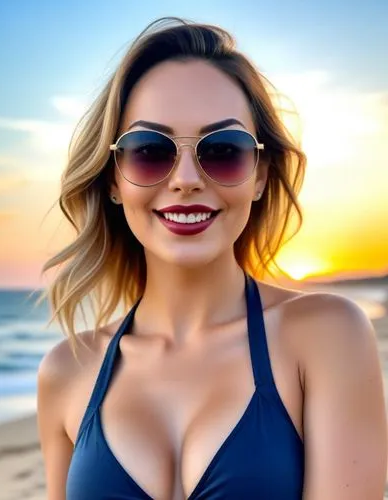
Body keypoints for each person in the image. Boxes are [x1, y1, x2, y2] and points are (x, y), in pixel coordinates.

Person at [36, 17, 387, 500]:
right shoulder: (66, 372)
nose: (185, 178)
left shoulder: (327, 335)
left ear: (261, 175)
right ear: (114, 178)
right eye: (148, 150)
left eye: (223, 150)